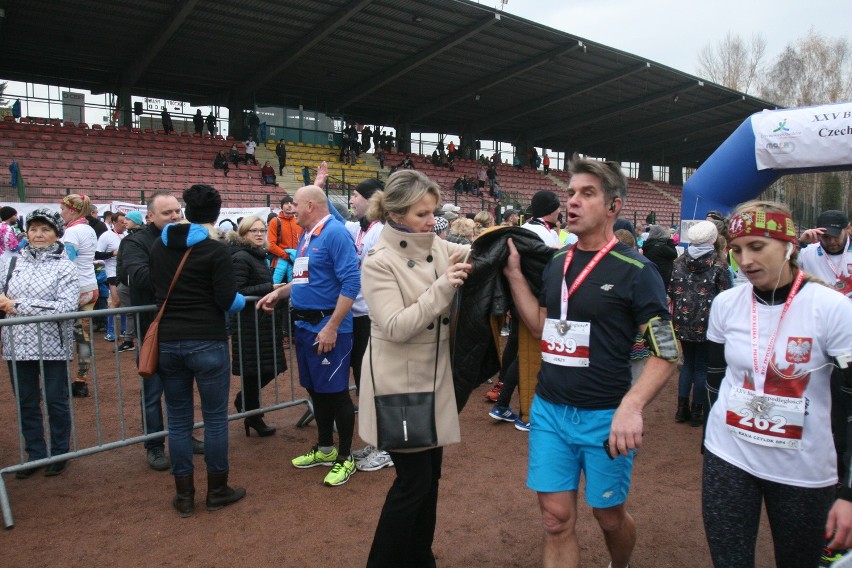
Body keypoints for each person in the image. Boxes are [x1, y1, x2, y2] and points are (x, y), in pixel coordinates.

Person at [503, 158, 679, 568]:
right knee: (555, 519)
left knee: (608, 517)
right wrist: (514, 276)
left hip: (605, 417)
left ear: (613, 205)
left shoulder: (637, 269)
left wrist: (632, 407)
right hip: (549, 411)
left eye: (587, 194)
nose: (574, 202)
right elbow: (542, 327)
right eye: (570, 193)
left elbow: (667, 349)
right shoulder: (556, 263)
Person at [702, 200, 852, 567]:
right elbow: (713, 380)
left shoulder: (833, 308)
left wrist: (848, 492)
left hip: (803, 470)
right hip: (729, 457)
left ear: (789, 246)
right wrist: (708, 441)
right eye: (736, 250)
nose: (745, 260)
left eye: (757, 246)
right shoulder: (725, 304)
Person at [359, 169, 472, 567]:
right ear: (398, 213)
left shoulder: (435, 244)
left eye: (433, 212)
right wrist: (443, 286)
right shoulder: (378, 261)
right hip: (399, 385)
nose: (432, 221)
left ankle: (420, 558)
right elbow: (395, 326)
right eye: (423, 214)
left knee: (431, 481)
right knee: (413, 483)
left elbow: (457, 253)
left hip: (434, 379)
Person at [150, 185, 247, 517]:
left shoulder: (157, 248)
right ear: (217, 213)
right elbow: (228, 301)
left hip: (168, 341)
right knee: (216, 419)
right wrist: (240, 300)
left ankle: (186, 495)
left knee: (177, 421)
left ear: (185, 211)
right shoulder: (215, 251)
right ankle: (217, 489)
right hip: (207, 340)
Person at [257, 184, 361, 487]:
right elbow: (303, 280)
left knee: (337, 393)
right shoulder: (306, 236)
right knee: (316, 390)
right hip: (304, 327)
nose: (290, 210)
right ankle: (326, 448)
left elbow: (351, 284)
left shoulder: (335, 234)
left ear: (312, 206)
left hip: (328, 328)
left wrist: (331, 327)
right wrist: (279, 293)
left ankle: (346, 457)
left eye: (296, 205)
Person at [119, 192, 203, 471]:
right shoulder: (135, 242)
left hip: (182, 326)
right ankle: (154, 445)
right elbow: (139, 278)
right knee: (152, 392)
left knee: (181, 390)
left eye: (177, 211)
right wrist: (179, 275)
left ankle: (185, 436)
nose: (175, 217)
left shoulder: (185, 238)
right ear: (150, 216)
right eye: (167, 213)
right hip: (151, 330)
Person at [0, 208, 78, 478]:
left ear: (57, 233)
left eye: (45, 229)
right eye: (33, 229)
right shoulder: (11, 263)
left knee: (56, 401)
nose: (38, 234)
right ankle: (35, 453)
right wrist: (7, 303)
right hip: (15, 345)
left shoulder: (66, 266)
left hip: (52, 345)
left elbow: (65, 307)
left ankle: (60, 452)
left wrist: (17, 305)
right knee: (26, 402)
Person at [342, 179, 393, 473]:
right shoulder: (364, 228)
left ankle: (388, 447)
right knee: (366, 383)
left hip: (377, 319)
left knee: (378, 384)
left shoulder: (383, 231)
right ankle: (378, 442)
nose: (352, 202)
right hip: (362, 317)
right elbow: (333, 218)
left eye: (356, 196)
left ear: (373, 200)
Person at [226, 216, 286, 438]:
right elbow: (237, 290)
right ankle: (253, 415)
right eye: (254, 231)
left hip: (261, 323)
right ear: (243, 234)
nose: (260, 234)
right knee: (254, 373)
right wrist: (270, 287)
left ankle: (247, 406)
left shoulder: (257, 256)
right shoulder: (242, 257)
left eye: (262, 230)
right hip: (248, 324)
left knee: (268, 369)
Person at [668, 220, 731, 426]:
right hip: (708, 323)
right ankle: (697, 411)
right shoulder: (719, 265)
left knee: (688, 364)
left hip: (682, 320)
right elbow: (726, 295)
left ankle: (680, 409)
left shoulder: (678, 263)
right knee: (702, 366)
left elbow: (672, 291)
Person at [59, 194, 99, 398]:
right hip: (90, 286)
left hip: (75, 289)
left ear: (73, 210)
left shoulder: (72, 231)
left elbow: (68, 263)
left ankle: (58, 382)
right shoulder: (89, 229)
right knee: (83, 338)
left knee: (62, 335)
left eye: (63, 210)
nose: (61, 213)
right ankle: (81, 382)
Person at [798, 209, 852, 298]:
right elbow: (782, 270)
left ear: (848, 229)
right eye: (826, 237)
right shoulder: (806, 253)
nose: (832, 242)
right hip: (820, 309)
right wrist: (799, 244)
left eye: (836, 236)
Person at [114, 210, 144, 353]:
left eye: (128, 219)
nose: (125, 221)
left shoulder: (140, 237)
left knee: (134, 311)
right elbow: (121, 261)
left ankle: (131, 340)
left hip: (134, 282)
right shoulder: (130, 237)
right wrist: (120, 279)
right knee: (132, 311)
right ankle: (129, 339)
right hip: (126, 282)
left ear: (136, 221)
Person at [95, 211, 128, 342]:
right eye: (121, 222)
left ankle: (124, 329)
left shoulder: (126, 234)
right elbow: (97, 255)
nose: (124, 224)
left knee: (125, 301)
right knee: (116, 301)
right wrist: (113, 253)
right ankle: (109, 331)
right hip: (112, 272)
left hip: (124, 271)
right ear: (114, 222)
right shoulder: (106, 236)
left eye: (125, 222)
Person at [642, 224, 678, 289]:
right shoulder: (661, 246)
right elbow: (674, 254)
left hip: (651, 273)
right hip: (662, 275)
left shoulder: (648, 244)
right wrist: (670, 241)